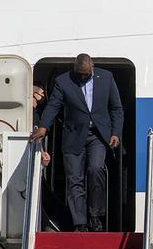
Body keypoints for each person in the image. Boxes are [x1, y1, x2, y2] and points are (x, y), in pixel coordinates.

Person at [29, 54, 123, 232]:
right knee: (74, 179)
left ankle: (95, 216)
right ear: (74, 69)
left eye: (85, 74)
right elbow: (53, 106)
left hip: (98, 135)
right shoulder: (63, 81)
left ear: (92, 67)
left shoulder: (106, 78)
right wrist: (43, 127)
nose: (82, 77)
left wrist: (116, 133)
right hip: (73, 136)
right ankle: (80, 223)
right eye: (79, 74)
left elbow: (116, 108)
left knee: (95, 170)